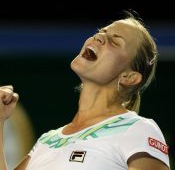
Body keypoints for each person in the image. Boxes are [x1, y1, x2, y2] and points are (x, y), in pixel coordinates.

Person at [0, 12, 170, 170]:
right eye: (101, 32)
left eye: (115, 41)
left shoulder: (137, 130)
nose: (99, 37)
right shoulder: (47, 141)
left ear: (128, 77)